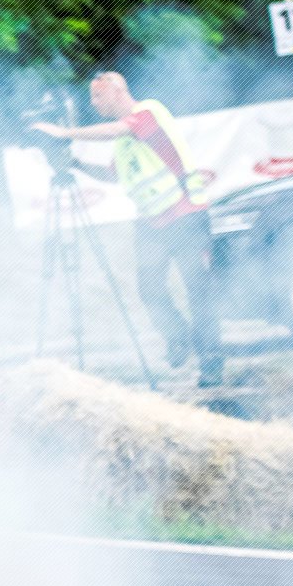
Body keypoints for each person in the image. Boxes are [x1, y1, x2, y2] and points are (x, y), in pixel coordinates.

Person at [31, 71, 224, 387]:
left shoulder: (148, 112)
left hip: (186, 214)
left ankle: (211, 363)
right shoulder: (123, 140)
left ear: (118, 90)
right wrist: (75, 164)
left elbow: (116, 130)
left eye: (98, 95)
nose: (94, 102)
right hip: (152, 222)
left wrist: (63, 133)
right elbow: (112, 176)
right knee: (149, 289)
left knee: (198, 291)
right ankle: (178, 337)